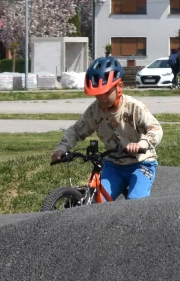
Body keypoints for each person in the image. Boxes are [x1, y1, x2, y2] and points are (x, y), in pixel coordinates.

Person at [51, 56, 164, 199]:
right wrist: (62, 148)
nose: (102, 99)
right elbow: (76, 130)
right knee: (98, 201)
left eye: (106, 93)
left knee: (135, 201)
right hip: (114, 165)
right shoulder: (95, 111)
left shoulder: (134, 108)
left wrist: (142, 143)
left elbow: (156, 129)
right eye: (97, 95)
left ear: (119, 87)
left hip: (140, 163)